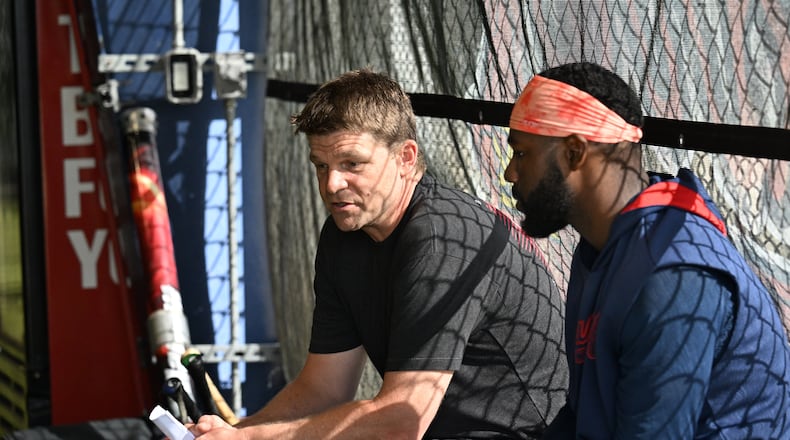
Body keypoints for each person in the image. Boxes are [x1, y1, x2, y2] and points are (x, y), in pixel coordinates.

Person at [190, 69, 568, 439]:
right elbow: (324, 388)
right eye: (321, 166)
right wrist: (234, 432)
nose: (332, 184)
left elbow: (400, 422)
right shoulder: (345, 233)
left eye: (352, 164)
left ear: (405, 158)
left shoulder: (441, 238)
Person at [504, 61, 790, 439]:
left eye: (521, 153)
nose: (509, 172)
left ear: (574, 153)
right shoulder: (599, 247)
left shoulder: (671, 274)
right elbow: (580, 417)